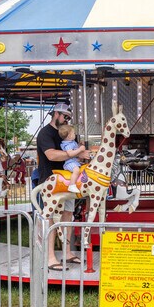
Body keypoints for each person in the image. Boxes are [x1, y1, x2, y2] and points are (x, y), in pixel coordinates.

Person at [36, 103, 90, 271]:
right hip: (51, 180)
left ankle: (66, 252)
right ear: (56, 114)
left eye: (68, 117)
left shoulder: (68, 133)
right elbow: (51, 154)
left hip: (67, 181)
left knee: (68, 215)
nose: (67, 120)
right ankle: (49, 256)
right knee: (51, 218)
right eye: (65, 116)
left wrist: (81, 154)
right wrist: (73, 154)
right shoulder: (45, 134)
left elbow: (77, 151)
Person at [59, 124, 83, 193]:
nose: (75, 134)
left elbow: (75, 149)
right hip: (69, 163)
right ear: (69, 135)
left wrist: (79, 145)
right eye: (74, 133)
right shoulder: (68, 144)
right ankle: (71, 185)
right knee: (76, 170)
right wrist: (80, 149)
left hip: (74, 161)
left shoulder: (72, 142)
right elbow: (70, 154)